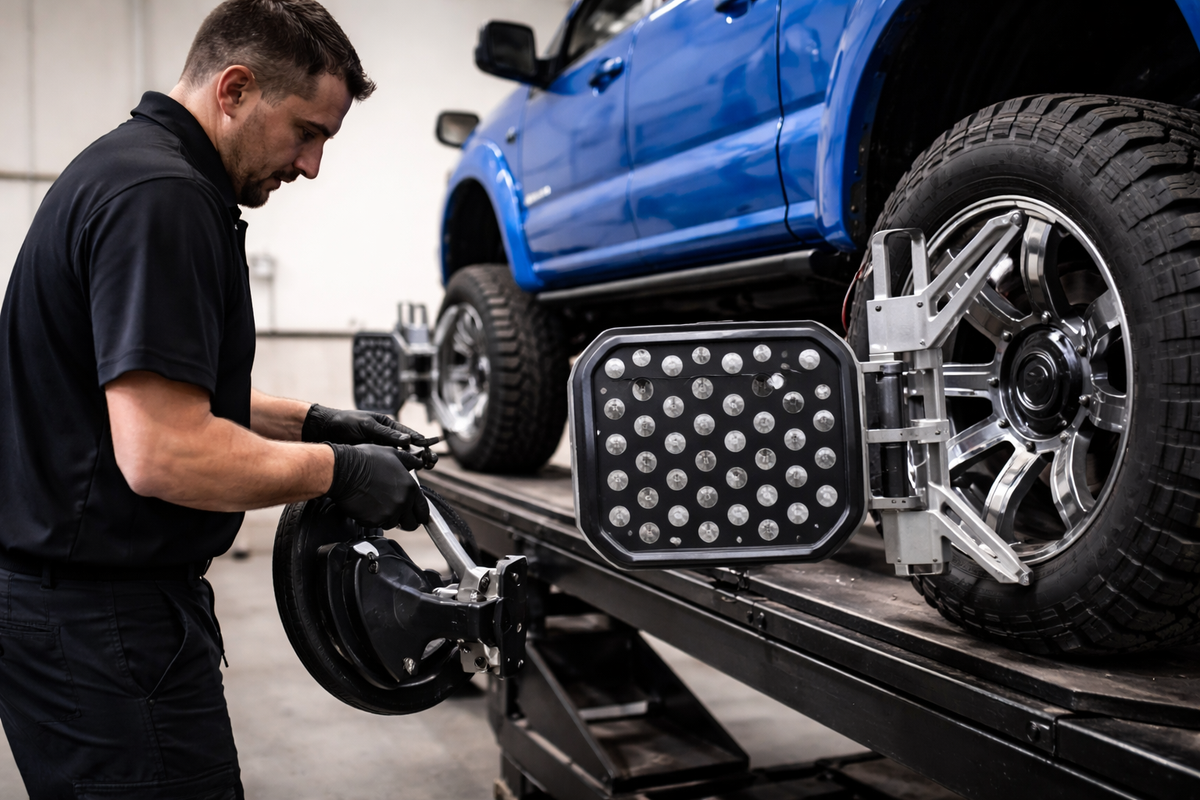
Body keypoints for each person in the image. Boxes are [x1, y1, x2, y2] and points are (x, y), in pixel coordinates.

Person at [0, 2, 428, 797]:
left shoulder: (128, 170)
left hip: (77, 613)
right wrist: (338, 472)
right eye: (308, 132)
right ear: (234, 90)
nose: (310, 166)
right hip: (106, 631)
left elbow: (153, 389)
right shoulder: (162, 198)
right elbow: (165, 450)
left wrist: (312, 420)